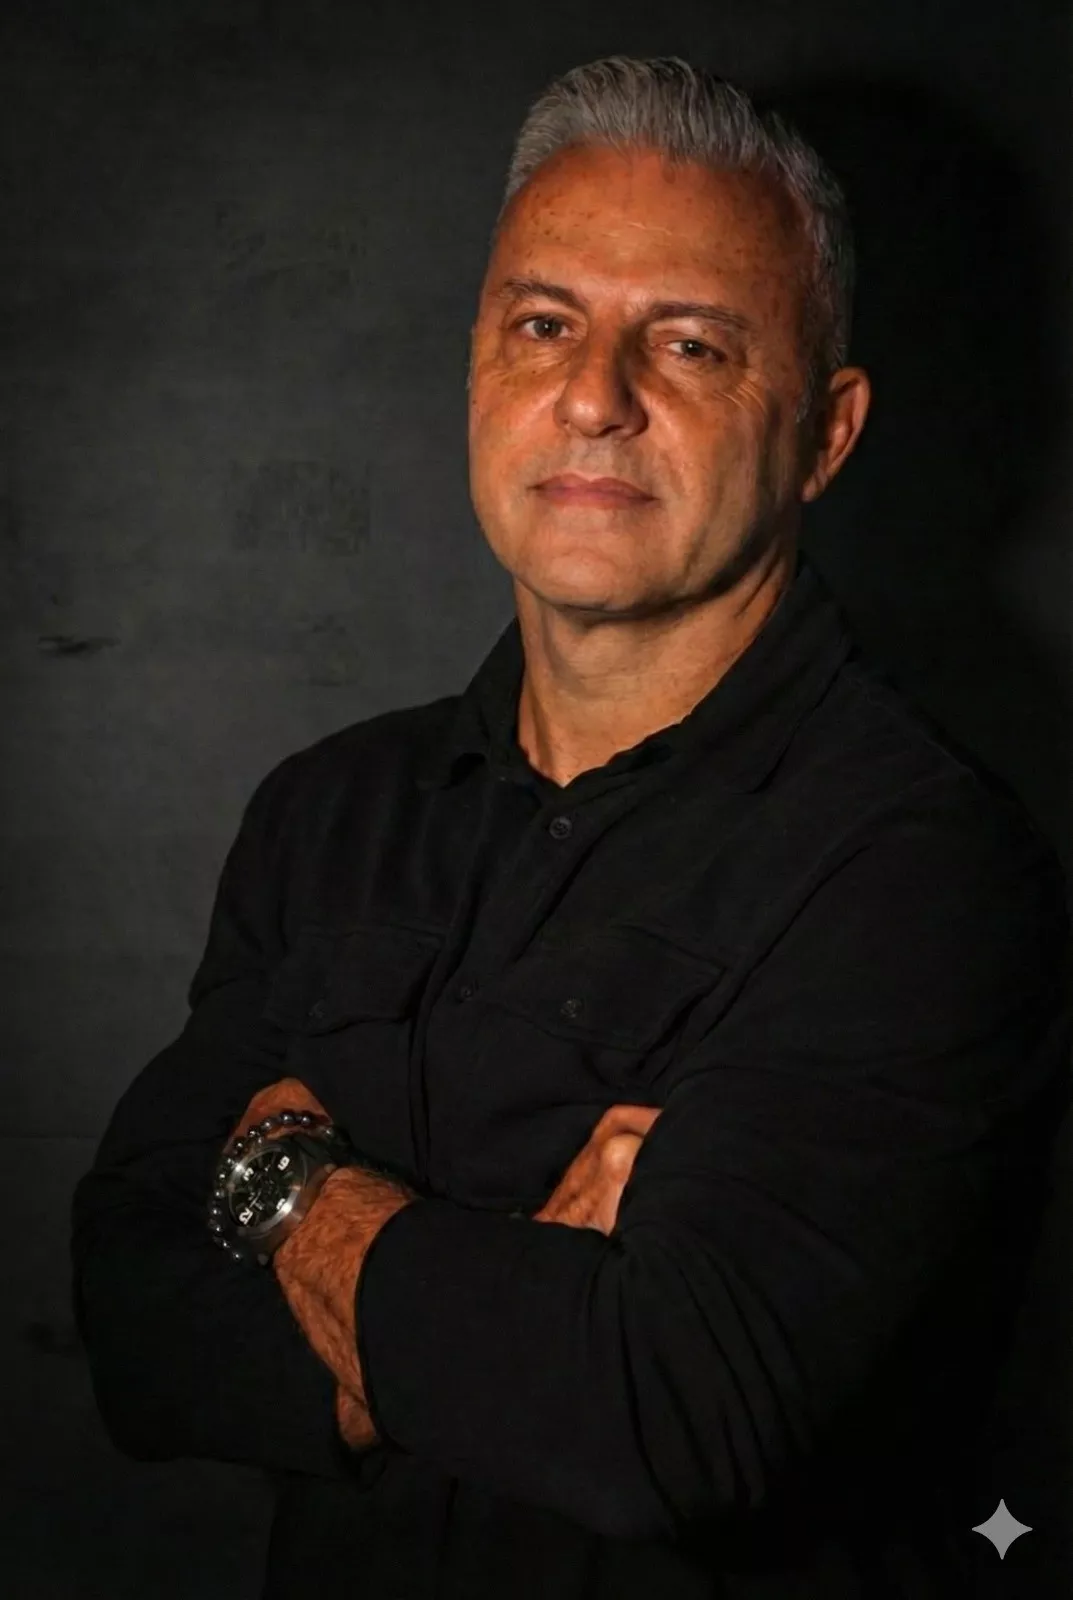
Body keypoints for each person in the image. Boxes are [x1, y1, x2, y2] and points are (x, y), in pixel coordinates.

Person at [70, 54, 1070, 1600]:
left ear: (826, 434)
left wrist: (290, 1186)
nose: (594, 397)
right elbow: (132, 1321)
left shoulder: (921, 872)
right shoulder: (329, 815)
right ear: (477, 365)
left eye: (690, 344)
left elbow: (647, 1417)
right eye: (543, 324)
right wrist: (499, 1309)